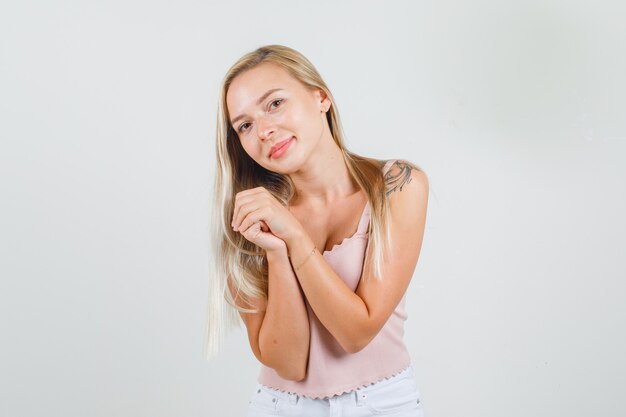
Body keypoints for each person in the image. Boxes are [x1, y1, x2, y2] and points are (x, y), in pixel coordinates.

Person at [204, 44, 429, 417]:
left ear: (320, 97)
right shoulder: (250, 220)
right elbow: (289, 364)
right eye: (244, 125)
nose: (264, 130)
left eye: (274, 103)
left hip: (384, 404)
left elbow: (357, 332)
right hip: (281, 407)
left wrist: (293, 235)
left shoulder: (397, 185)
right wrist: (276, 252)